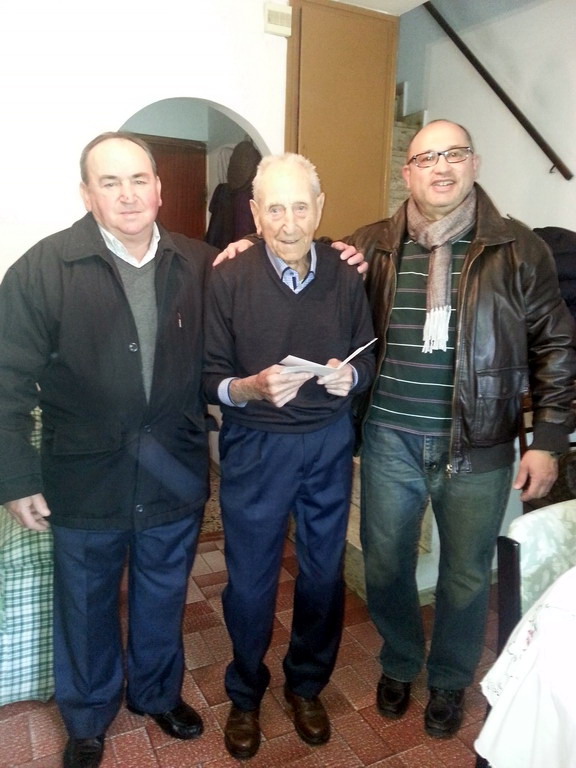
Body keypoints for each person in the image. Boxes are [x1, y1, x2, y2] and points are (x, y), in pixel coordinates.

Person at [218, 119, 576, 739]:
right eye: (425, 158)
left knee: (466, 575)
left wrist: (547, 440)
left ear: (474, 163)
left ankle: (449, 679)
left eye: (453, 154)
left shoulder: (520, 249)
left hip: (478, 443)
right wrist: (249, 243)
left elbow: (556, 346)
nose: (441, 167)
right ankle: (401, 660)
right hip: (388, 440)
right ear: (407, 173)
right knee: (383, 567)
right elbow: (301, 241)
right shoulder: (375, 245)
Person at [0, 132, 217, 768]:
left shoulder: (201, 264)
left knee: (163, 594)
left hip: (172, 468)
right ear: (86, 194)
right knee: (86, 603)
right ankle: (89, 715)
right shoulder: (42, 268)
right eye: (110, 182)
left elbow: (262, 288)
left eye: (139, 179)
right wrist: (15, 477)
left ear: (159, 188)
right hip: (83, 473)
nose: (128, 194)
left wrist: (340, 254)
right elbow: (6, 380)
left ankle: (155, 694)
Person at [203, 152, 375, 759]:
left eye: (300, 207)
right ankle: (245, 691)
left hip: (327, 445)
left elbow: (367, 354)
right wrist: (248, 388)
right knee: (250, 583)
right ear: (254, 213)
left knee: (324, 576)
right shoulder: (228, 277)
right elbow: (209, 377)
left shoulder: (346, 275)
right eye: (274, 209)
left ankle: (306, 685)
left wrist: (351, 379)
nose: (289, 222)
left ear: (319, 209)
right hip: (256, 447)